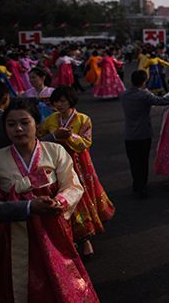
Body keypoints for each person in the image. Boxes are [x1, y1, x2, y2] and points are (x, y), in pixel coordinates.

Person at [0, 99, 98, 302]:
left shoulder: (55, 151)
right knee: (18, 283)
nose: (18, 129)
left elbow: (73, 186)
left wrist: (60, 202)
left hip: (52, 230)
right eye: (11, 124)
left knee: (60, 279)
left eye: (25, 122)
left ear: (36, 125)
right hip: (12, 235)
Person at [40, 86, 115, 259]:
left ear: (71, 101)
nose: (59, 105)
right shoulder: (50, 120)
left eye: (63, 101)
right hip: (57, 163)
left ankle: (85, 237)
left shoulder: (83, 119)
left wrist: (69, 137)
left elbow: (86, 143)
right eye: (56, 101)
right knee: (62, 196)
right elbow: (40, 140)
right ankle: (70, 235)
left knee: (81, 197)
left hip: (78, 163)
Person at [121, 69, 169, 198]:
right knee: (143, 161)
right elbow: (161, 101)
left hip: (129, 134)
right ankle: (142, 187)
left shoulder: (124, 94)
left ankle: (136, 184)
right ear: (144, 81)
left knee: (133, 162)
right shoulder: (144, 95)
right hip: (143, 133)